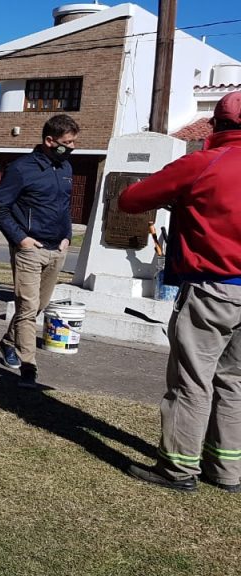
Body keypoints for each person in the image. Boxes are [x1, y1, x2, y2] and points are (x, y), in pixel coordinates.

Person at [119, 91, 241, 493]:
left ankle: (178, 469)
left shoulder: (205, 162)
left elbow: (131, 198)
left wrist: (182, 199)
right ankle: (226, 471)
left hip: (213, 289)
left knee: (192, 380)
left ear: (216, 125)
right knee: (234, 382)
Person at [0, 114, 79, 389]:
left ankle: (7, 341)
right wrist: (21, 240)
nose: (71, 147)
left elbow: (64, 206)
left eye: (74, 142)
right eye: (67, 142)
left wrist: (66, 236)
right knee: (27, 308)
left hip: (56, 249)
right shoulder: (22, 168)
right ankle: (29, 367)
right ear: (49, 140)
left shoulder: (66, 168)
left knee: (37, 307)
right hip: (29, 250)